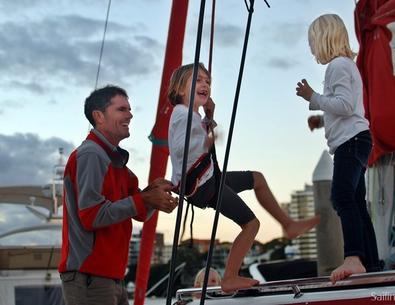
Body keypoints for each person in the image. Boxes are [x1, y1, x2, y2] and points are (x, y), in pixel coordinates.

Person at [168, 63, 320, 293]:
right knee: (251, 224)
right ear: (180, 89)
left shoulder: (193, 115)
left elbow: (193, 139)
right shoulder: (181, 115)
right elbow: (180, 148)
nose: (205, 84)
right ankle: (229, 277)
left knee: (256, 178)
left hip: (209, 176)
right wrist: (204, 141)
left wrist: (209, 117)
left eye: (207, 81)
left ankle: (288, 225)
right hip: (202, 185)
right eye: (198, 80)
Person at [58, 85, 178, 305]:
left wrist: (155, 195)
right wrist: (146, 199)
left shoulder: (115, 161)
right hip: (90, 277)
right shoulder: (91, 154)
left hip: (108, 277)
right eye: (122, 109)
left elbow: (141, 213)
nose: (130, 115)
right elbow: (91, 215)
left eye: (129, 109)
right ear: (99, 116)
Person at [295, 14, 380, 284]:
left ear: (323, 39)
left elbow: (343, 105)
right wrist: (321, 119)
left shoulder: (338, 66)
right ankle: (369, 260)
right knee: (355, 202)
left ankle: (353, 258)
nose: (310, 48)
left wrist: (313, 98)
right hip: (356, 139)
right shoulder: (346, 66)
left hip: (351, 143)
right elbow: (349, 108)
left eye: (311, 42)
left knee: (342, 197)